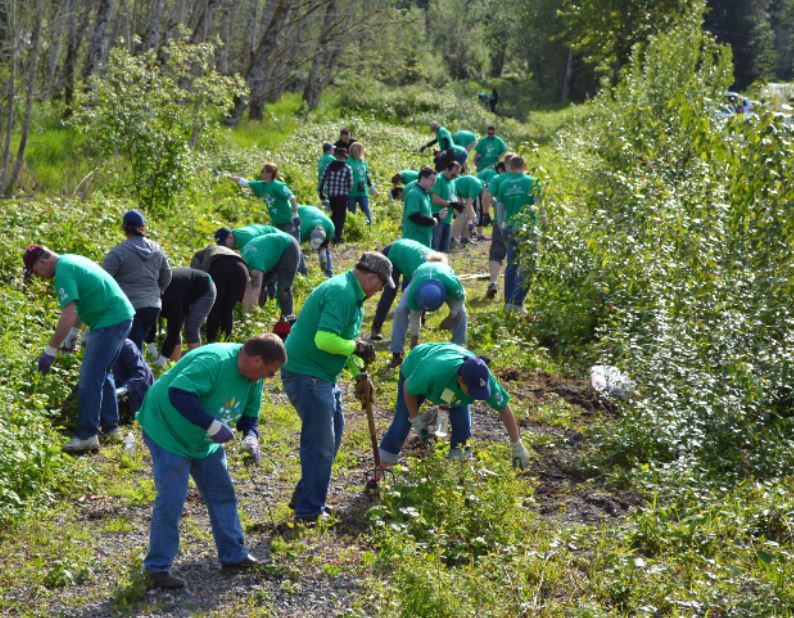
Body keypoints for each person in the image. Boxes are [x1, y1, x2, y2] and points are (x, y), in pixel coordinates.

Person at [136, 334, 287, 589]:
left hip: (204, 442)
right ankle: (157, 569)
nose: (269, 378)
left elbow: (249, 414)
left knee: (222, 493)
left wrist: (251, 436)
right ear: (258, 360)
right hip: (167, 431)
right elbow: (179, 394)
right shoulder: (213, 361)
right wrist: (211, 424)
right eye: (270, 372)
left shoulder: (254, 378)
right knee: (172, 499)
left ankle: (233, 556)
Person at [281, 252, 393, 523]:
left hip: (322, 375)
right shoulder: (341, 292)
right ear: (370, 277)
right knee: (319, 445)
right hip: (306, 374)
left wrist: (359, 374)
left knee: (333, 438)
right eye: (381, 285)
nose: (380, 291)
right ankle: (309, 512)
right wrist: (357, 346)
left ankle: (306, 495)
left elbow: (343, 342)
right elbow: (324, 340)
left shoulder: (355, 299)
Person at [24, 245, 134, 452]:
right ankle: (111, 429)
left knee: (89, 379)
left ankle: (86, 435)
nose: (38, 277)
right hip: (119, 316)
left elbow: (68, 315)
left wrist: (50, 351)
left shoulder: (63, 272)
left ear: (42, 262)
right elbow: (83, 303)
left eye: (36, 271)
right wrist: (74, 334)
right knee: (102, 373)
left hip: (110, 321)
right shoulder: (71, 260)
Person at [377, 343, 530, 470]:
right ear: (461, 379)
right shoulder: (432, 373)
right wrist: (416, 419)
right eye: (472, 391)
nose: (474, 396)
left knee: (463, 430)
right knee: (401, 425)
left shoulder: (480, 376)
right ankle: (378, 474)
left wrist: (517, 443)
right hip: (417, 365)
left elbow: (503, 407)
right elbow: (408, 389)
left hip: (448, 379)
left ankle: (459, 477)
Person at [103, 209, 171, 352]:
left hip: (130, 308)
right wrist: (157, 292)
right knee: (133, 348)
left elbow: (104, 280)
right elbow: (167, 274)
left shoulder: (118, 252)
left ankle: (140, 374)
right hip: (153, 307)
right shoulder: (158, 250)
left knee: (130, 352)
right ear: (143, 227)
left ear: (124, 228)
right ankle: (138, 373)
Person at [388, 261, 467, 367]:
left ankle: (458, 351)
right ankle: (397, 353)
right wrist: (414, 339)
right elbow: (415, 315)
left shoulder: (452, 285)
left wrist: (452, 316)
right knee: (401, 310)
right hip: (420, 276)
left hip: (443, 276)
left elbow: (461, 298)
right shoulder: (414, 291)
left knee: (461, 313)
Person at [370, 239, 447, 341]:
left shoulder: (439, 268)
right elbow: (415, 295)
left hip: (407, 255)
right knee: (391, 290)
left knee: (424, 288)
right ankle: (376, 328)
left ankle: (421, 322)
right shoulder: (420, 270)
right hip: (393, 253)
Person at [495, 156, 541, 313]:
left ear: (511, 167)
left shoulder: (504, 183)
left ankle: (508, 302)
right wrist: (544, 224)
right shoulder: (533, 181)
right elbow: (538, 205)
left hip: (509, 227)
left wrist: (501, 225)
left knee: (512, 265)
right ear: (524, 165)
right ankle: (517, 302)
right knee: (529, 266)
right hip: (528, 228)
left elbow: (500, 207)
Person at [145, 268, 217, 367]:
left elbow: (175, 326)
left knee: (191, 327)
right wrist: (150, 344)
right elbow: (150, 321)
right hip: (184, 289)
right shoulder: (148, 297)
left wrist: (163, 357)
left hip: (204, 288)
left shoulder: (170, 298)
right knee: (171, 327)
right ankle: (173, 365)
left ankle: (197, 366)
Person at [190, 244, 249, 343]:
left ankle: (211, 342)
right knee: (228, 308)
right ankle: (226, 342)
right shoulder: (229, 251)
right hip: (242, 269)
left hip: (222, 266)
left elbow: (198, 274)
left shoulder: (199, 255)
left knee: (215, 307)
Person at [225, 163, 300, 238]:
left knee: (292, 244)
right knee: (279, 247)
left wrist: (295, 214)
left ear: (269, 174)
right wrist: (228, 177)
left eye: (262, 171)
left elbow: (292, 198)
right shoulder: (260, 185)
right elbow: (244, 182)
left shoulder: (278, 185)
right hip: (276, 222)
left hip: (288, 222)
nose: (260, 173)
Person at [239, 230, 300, 316]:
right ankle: (259, 313)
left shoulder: (255, 265)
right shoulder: (242, 259)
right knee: (262, 284)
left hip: (288, 246)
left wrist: (247, 315)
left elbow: (255, 290)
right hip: (271, 250)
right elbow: (248, 287)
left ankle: (288, 317)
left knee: (283, 289)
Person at [483, 156, 513, 299]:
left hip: (500, 222)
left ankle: (493, 283)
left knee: (496, 254)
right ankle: (515, 290)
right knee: (517, 256)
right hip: (521, 223)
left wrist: (485, 213)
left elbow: (486, 196)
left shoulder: (498, 178)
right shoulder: (526, 179)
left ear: (505, 165)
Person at [112, 338, 154, 420]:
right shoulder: (100, 349)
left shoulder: (127, 346)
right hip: (121, 392)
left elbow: (140, 374)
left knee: (142, 420)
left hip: (140, 392)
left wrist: (124, 388)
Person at [320, 146, 354, 243]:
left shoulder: (329, 166)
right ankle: (337, 237)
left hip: (331, 195)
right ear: (344, 157)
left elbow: (323, 180)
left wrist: (321, 192)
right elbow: (350, 184)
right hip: (342, 196)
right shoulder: (347, 168)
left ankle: (330, 234)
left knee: (334, 215)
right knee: (341, 217)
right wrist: (347, 191)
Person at [431, 160, 463, 253]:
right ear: (446, 169)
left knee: (444, 250)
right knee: (435, 249)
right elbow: (435, 199)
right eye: (453, 174)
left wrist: (457, 204)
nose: (454, 177)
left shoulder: (452, 181)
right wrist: (450, 204)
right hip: (438, 219)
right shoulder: (439, 179)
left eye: (456, 175)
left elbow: (453, 196)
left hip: (448, 220)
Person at [401, 167, 437, 248]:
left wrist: (437, 216)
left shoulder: (425, 194)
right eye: (432, 180)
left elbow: (424, 214)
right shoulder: (414, 194)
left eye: (435, 181)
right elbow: (414, 216)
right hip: (414, 241)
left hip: (423, 241)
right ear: (423, 178)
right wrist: (432, 221)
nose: (434, 183)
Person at [297, 204, 335, 277]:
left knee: (325, 251)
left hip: (315, 215)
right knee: (296, 251)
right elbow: (296, 246)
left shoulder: (330, 227)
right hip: (300, 212)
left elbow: (326, 243)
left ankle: (329, 273)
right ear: (310, 235)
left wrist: (322, 255)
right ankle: (302, 272)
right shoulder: (303, 230)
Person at [452, 174, 486, 244]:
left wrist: (473, 216)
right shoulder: (477, 187)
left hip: (458, 192)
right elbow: (468, 205)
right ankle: (452, 239)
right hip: (451, 189)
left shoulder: (480, 184)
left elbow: (468, 203)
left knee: (467, 214)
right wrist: (472, 220)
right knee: (462, 214)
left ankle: (465, 238)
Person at [346, 142, 374, 225]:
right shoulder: (348, 162)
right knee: (351, 212)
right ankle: (352, 228)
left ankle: (369, 226)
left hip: (362, 191)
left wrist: (371, 185)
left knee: (366, 210)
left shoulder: (363, 162)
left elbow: (366, 175)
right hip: (351, 192)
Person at [214, 223, 279, 251]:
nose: (224, 247)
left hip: (277, 239)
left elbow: (257, 257)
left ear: (230, 237)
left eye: (224, 244)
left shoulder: (244, 239)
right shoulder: (236, 236)